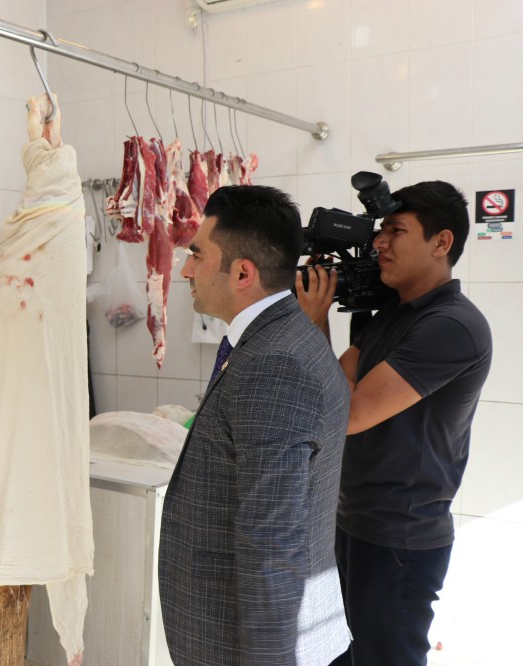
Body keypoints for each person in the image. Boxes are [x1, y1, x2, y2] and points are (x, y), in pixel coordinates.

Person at [297, 180, 492, 666]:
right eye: (381, 230)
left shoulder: (452, 326)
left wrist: (317, 318)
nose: (380, 242)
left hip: (398, 540)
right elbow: (334, 383)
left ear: (441, 243)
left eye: (396, 231)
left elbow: (348, 413)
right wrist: (317, 319)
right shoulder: (391, 316)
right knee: (339, 655)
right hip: (355, 521)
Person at [159, 185, 351, 666]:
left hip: (253, 648)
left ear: (242, 273)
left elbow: (273, 543)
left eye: (196, 256)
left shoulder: (275, 362)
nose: (185, 270)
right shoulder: (286, 337)